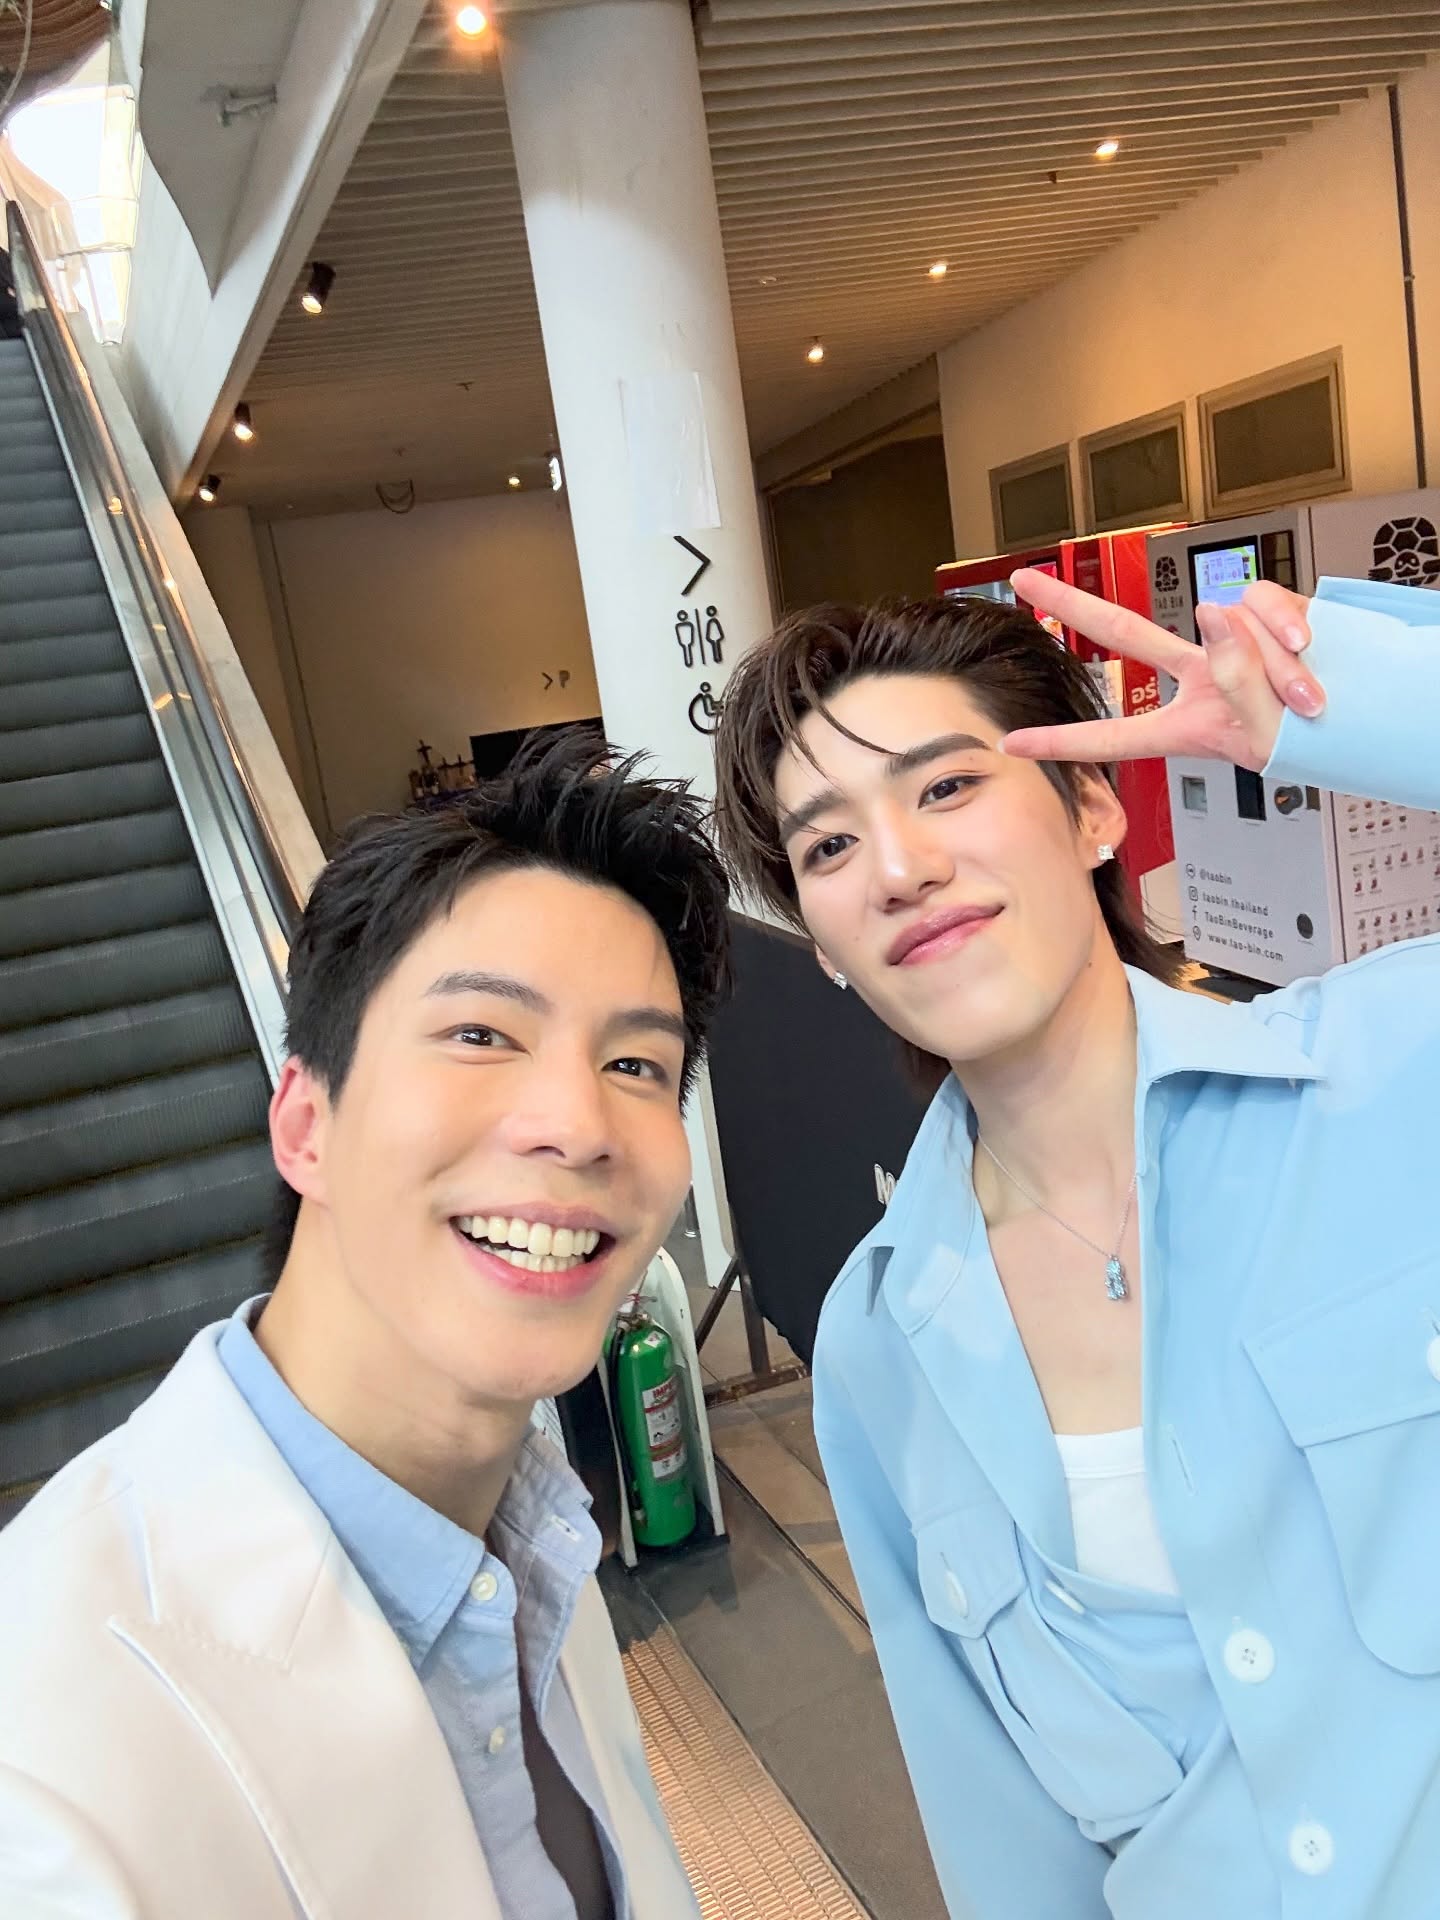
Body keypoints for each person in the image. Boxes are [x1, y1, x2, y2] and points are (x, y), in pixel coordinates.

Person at [712, 571, 1440, 1918]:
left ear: (1094, 808)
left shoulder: (1394, 1075)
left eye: (947, 786)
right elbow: (1003, 1839)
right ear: (821, 946)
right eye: (827, 848)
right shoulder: (882, 1345)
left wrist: (1341, 709)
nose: (899, 869)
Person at [0, 737, 728, 1920]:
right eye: (482, 1034)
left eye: (636, 1062)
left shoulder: (532, 1546)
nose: (579, 1123)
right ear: (305, 1125)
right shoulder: (45, 1770)